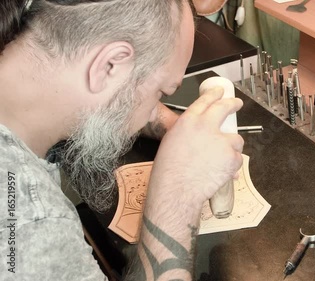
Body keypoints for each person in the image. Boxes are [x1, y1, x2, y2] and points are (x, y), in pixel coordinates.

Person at [0, 0, 244, 280]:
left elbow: (119, 89)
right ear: (109, 65)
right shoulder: (30, 223)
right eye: (161, 93)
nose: (155, 108)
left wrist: (170, 124)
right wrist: (178, 190)